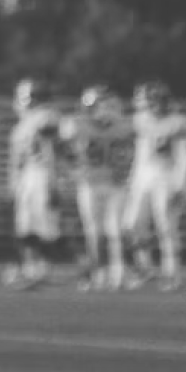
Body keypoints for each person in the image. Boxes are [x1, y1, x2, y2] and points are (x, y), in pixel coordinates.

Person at [60, 85, 132, 289]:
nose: (106, 110)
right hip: (89, 184)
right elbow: (62, 151)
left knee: (115, 230)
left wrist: (126, 170)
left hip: (114, 184)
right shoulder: (76, 125)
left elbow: (132, 152)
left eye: (108, 105)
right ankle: (98, 272)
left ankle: (118, 272)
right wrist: (71, 171)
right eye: (101, 105)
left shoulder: (122, 126)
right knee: (94, 232)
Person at [122, 81, 186, 290]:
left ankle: (172, 273)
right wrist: (132, 180)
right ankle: (146, 268)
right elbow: (140, 155)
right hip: (143, 179)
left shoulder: (177, 122)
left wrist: (181, 185)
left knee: (166, 227)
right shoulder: (140, 121)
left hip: (166, 178)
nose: (148, 105)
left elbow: (185, 157)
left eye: (150, 100)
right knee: (131, 224)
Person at [2, 78, 65, 289]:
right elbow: (16, 162)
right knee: (25, 225)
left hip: (42, 173)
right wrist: (14, 186)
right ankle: (30, 267)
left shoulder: (46, 117)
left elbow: (51, 148)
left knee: (45, 225)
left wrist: (53, 181)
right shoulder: (21, 126)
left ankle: (45, 269)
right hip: (27, 177)